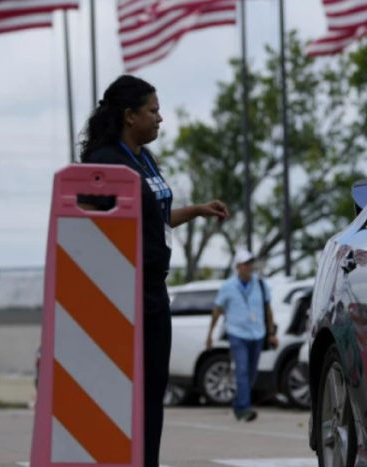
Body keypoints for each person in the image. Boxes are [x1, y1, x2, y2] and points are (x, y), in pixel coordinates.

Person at [77, 75, 229, 467]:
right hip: (122, 293)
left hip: (154, 290)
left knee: (152, 391)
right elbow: (88, 227)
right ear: (130, 115)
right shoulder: (104, 163)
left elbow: (151, 219)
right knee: (126, 393)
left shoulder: (143, 158)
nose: (160, 119)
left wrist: (195, 211)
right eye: (153, 111)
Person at [206, 249, 278, 422]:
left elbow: (268, 310)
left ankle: (239, 404)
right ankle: (245, 408)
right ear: (237, 266)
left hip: (257, 334)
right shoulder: (227, 287)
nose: (249, 267)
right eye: (246, 264)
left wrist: (271, 333)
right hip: (237, 334)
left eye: (250, 263)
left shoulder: (260, 284)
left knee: (251, 372)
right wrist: (210, 334)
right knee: (242, 371)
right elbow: (217, 311)